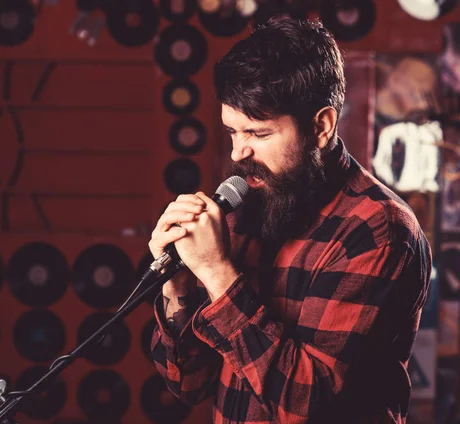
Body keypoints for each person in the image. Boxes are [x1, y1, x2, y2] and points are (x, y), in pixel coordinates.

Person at [148, 16, 432, 424]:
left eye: (259, 134)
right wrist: (178, 287)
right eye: (233, 132)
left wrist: (216, 273)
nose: (238, 154)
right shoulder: (248, 207)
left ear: (321, 126)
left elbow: (305, 408)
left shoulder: (378, 232)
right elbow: (188, 385)